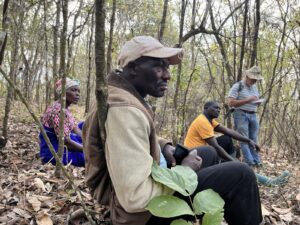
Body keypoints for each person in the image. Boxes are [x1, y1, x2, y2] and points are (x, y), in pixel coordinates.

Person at [83, 36, 262, 225]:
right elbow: (135, 198)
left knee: (207, 153)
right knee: (242, 175)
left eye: (167, 67)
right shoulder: (124, 111)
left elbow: (132, 137)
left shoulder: (120, 95)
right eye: (159, 67)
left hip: (132, 199)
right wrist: (184, 171)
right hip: (138, 216)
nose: (167, 75)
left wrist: (164, 146)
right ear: (134, 68)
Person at [184, 100, 290, 186]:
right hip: (197, 158)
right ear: (206, 108)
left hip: (204, 152)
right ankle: (268, 182)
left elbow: (228, 131)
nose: (218, 110)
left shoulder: (209, 120)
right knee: (235, 163)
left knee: (227, 138)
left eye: (219, 108)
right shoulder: (202, 122)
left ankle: (232, 166)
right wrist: (234, 162)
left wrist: (248, 140)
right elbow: (216, 147)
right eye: (215, 108)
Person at [39, 78, 85, 167]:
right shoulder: (58, 111)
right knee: (90, 158)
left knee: (85, 124)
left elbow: (75, 128)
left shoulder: (64, 107)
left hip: (66, 140)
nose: (77, 94)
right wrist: (87, 149)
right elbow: (66, 142)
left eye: (78, 91)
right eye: (73, 90)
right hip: (53, 152)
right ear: (63, 92)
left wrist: (88, 141)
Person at [228, 66, 263, 166]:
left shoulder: (255, 87)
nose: (254, 81)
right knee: (244, 139)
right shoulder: (237, 86)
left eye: (256, 80)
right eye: (253, 79)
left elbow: (254, 100)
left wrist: (257, 102)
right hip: (241, 114)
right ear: (247, 76)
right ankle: (250, 162)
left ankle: (257, 161)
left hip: (253, 114)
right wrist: (248, 100)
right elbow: (230, 102)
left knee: (254, 139)